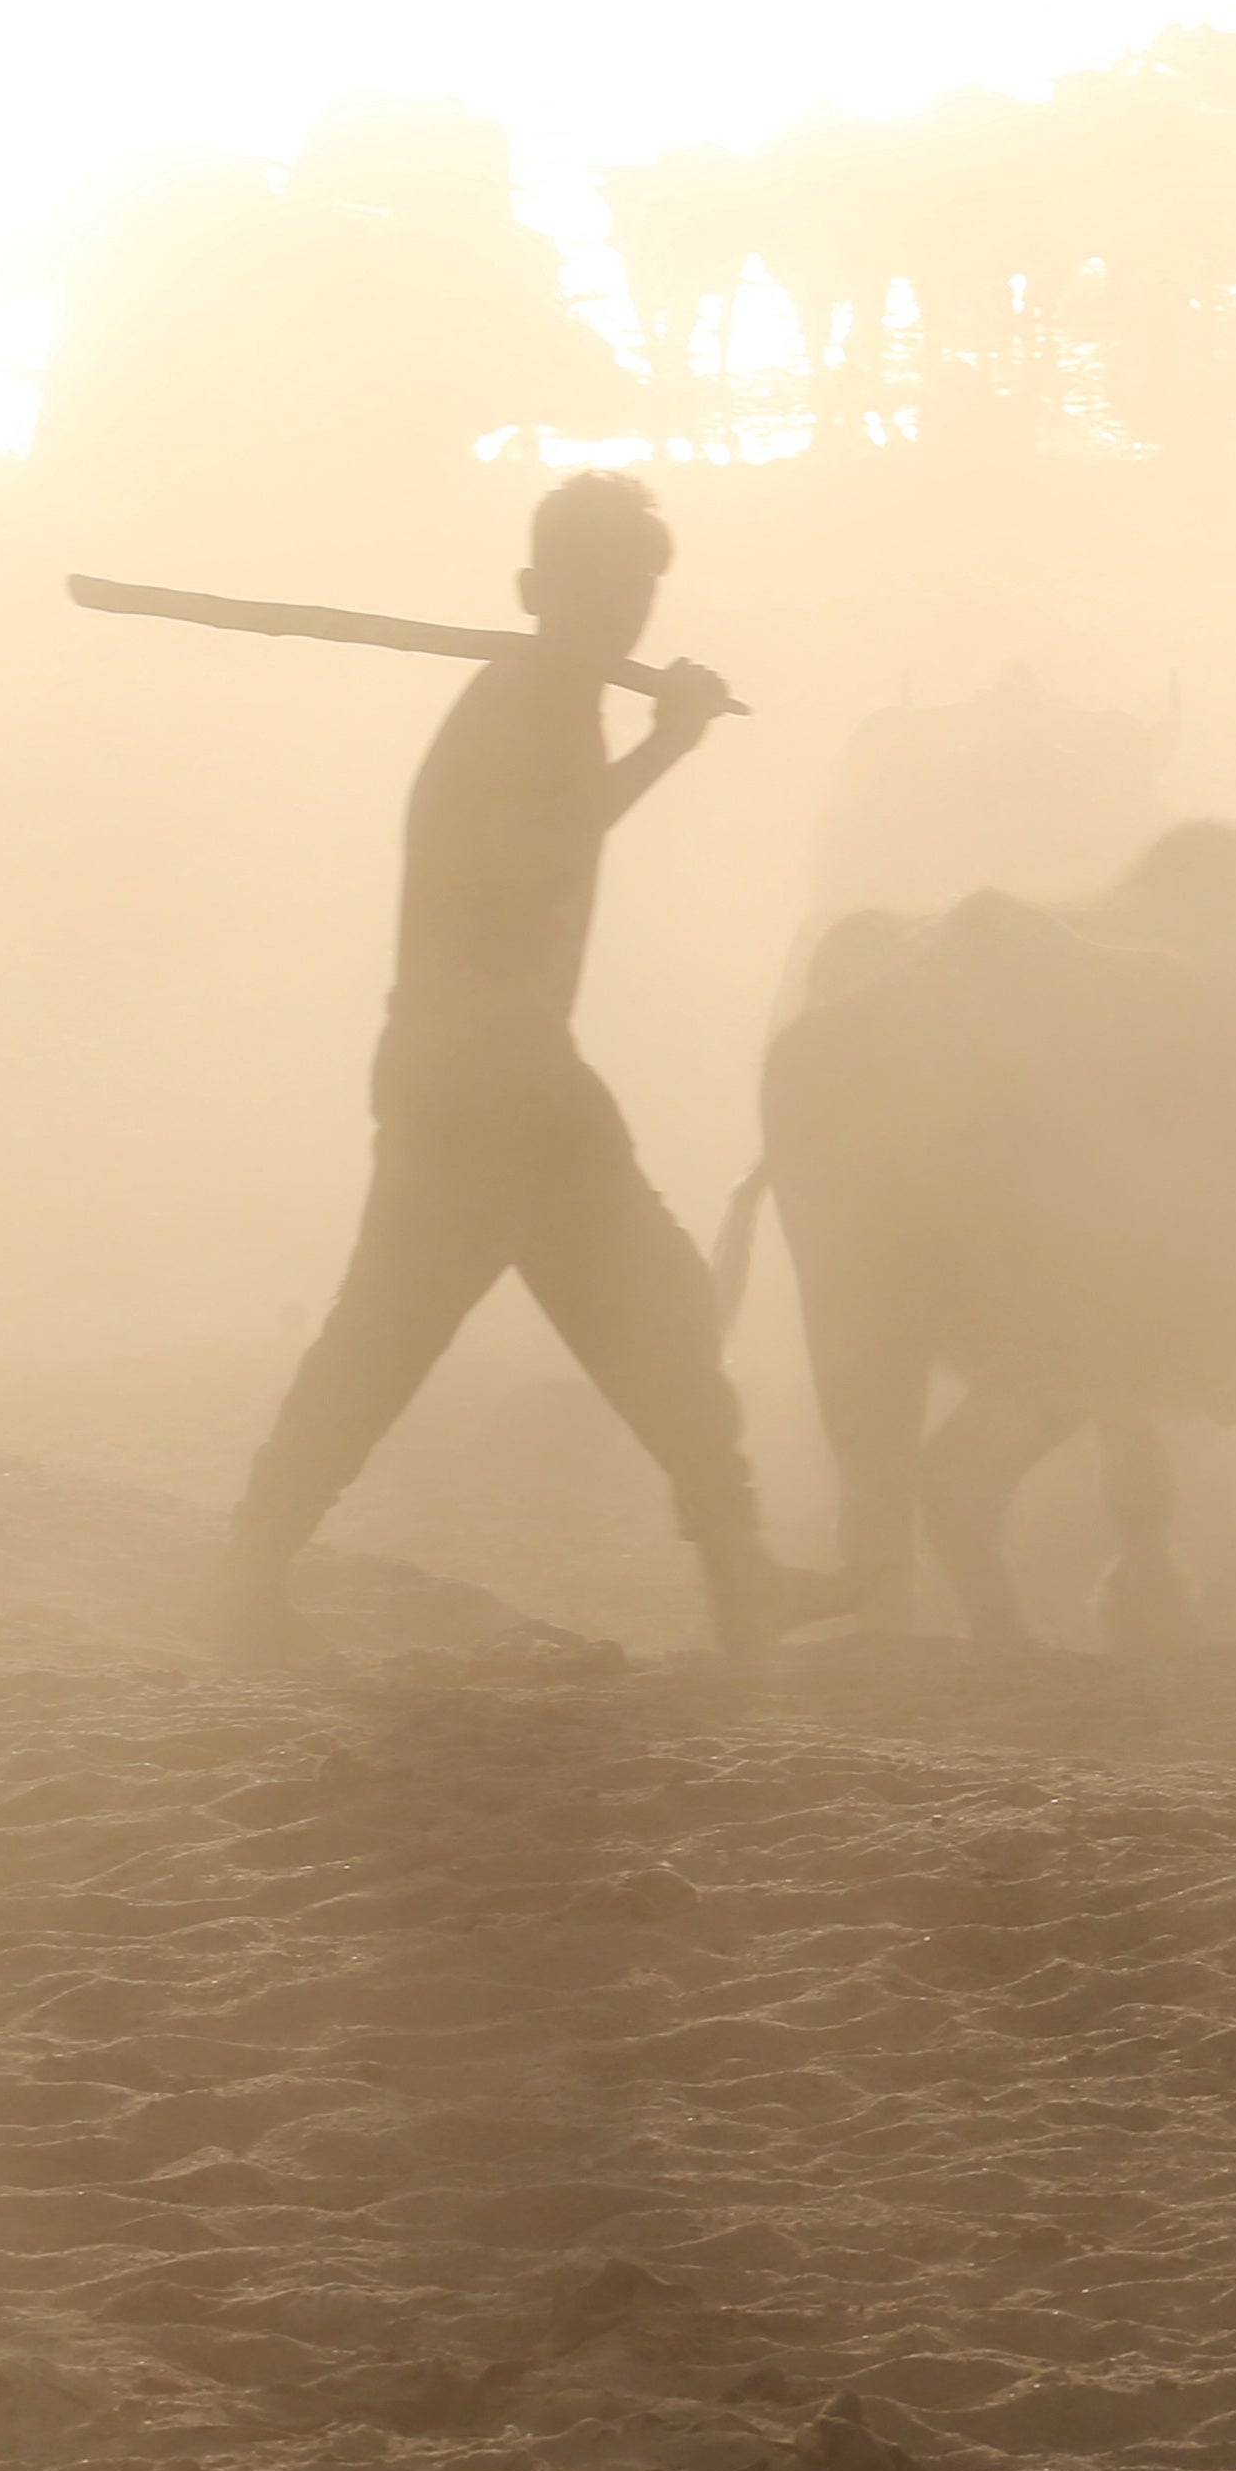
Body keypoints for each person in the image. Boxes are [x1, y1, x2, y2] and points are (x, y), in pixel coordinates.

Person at [210, 475, 834, 1657]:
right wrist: (672, 743)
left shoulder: (544, 699)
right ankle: (741, 1574)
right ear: (535, 592)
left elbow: (543, 847)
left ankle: (741, 1571)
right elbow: (531, 860)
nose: (626, 606)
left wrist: (656, 737)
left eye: (641, 583)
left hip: (495, 1073)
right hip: (484, 1078)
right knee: (462, 1331)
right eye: (601, 581)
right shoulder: (528, 707)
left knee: (576, 1314)